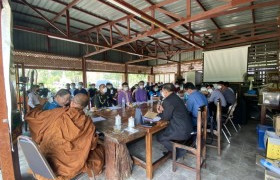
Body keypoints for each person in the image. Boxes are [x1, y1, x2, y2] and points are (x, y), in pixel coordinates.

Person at [25, 94, 104, 179]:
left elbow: (33, 117)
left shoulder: (58, 112)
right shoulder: (87, 121)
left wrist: (39, 105)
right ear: (85, 106)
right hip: (68, 164)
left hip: (44, 160)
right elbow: (92, 145)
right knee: (99, 152)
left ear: (72, 102)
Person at [156, 83, 193, 158]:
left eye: (162, 91)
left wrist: (159, 112)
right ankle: (172, 150)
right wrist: (164, 110)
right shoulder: (176, 97)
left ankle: (179, 152)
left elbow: (166, 117)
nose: (162, 92)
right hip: (187, 127)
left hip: (181, 130)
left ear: (165, 91)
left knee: (159, 137)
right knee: (165, 131)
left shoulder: (168, 101)